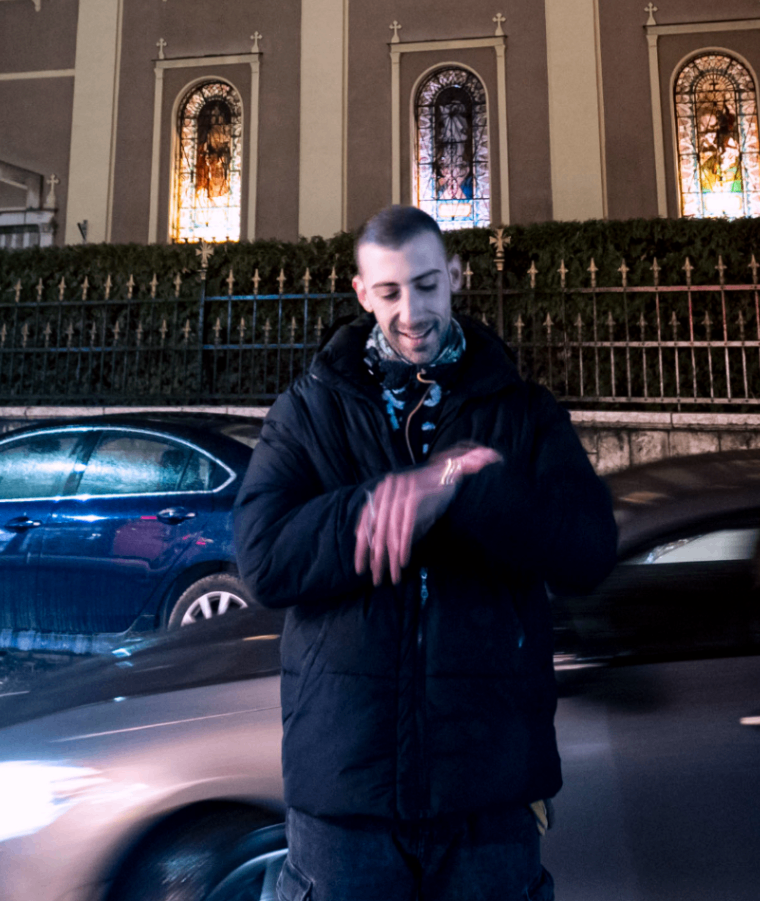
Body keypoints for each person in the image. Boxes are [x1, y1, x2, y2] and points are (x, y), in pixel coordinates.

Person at [234, 205, 617, 901]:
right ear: (361, 293)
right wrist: (378, 504)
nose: (411, 310)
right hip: (346, 797)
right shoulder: (309, 408)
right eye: (389, 292)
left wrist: (465, 491)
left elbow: (588, 548)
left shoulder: (522, 409)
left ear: (453, 278)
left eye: (426, 285)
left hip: (489, 793)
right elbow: (262, 557)